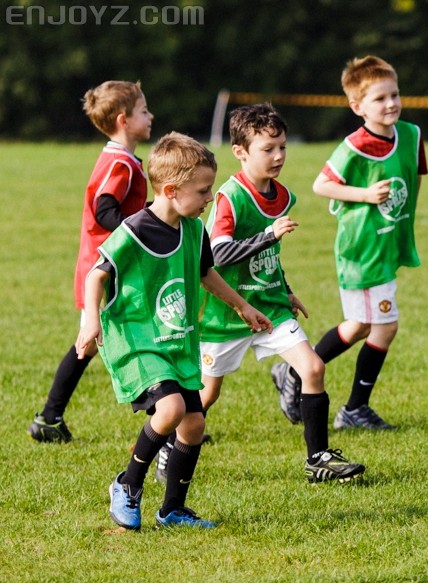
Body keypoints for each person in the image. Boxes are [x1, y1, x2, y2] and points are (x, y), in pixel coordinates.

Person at [75, 132, 274, 529]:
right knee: (171, 409)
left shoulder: (194, 230)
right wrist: (90, 319)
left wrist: (243, 306)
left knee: (195, 424)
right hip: (138, 339)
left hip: (177, 339)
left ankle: (172, 510)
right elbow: (96, 276)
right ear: (170, 189)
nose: (209, 198)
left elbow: (205, 274)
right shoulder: (134, 230)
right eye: (202, 191)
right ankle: (128, 484)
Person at [195, 103, 364, 484]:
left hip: (269, 307)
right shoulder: (230, 197)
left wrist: (285, 290)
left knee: (313, 368)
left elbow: (270, 255)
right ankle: (171, 445)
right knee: (206, 396)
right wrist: (268, 234)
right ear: (240, 152)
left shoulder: (283, 196)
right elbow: (218, 254)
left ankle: (318, 458)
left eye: (282, 147)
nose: (278, 156)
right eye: (267, 149)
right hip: (227, 312)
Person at [307, 55, 427, 430]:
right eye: (379, 99)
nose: (391, 103)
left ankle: (303, 375)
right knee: (373, 325)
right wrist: (364, 194)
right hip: (360, 248)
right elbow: (321, 185)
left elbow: (414, 178)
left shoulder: (411, 134)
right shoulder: (355, 146)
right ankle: (324, 388)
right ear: (357, 107)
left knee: (366, 325)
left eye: (394, 94)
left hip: (388, 243)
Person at [29, 80, 152, 442]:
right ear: (123, 120)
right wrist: (139, 229)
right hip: (103, 267)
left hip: (105, 264)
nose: (151, 116)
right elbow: (104, 210)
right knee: (98, 341)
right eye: (144, 111)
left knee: (95, 343)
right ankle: (172, 415)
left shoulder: (122, 158)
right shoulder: (120, 163)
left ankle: (50, 417)